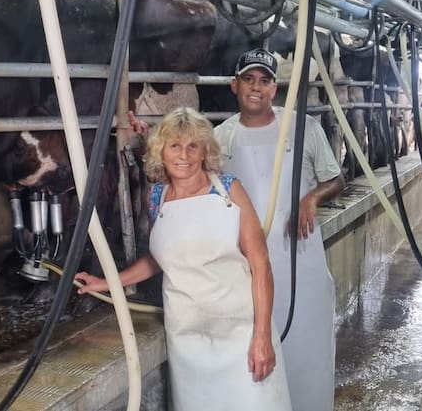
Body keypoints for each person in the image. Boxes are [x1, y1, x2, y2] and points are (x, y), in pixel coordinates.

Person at [76, 107, 291, 411]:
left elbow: (261, 265)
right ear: (161, 152)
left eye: (193, 146)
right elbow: (161, 258)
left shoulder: (229, 190)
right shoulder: (157, 198)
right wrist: (107, 282)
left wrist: (262, 337)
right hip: (188, 337)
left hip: (241, 332)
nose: (184, 155)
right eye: (174, 146)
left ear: (205, 151)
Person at [214, 48, 345, 411]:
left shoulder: (303, 128)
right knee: (257, 364)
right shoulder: (221, 138)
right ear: (234, 85)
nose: (256, 88)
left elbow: (336, 179)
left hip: (301, 263)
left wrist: (311, 198)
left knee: (308, 355)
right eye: (248, 79)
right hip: (248, 271)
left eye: (264, 81)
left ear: (274, 88)